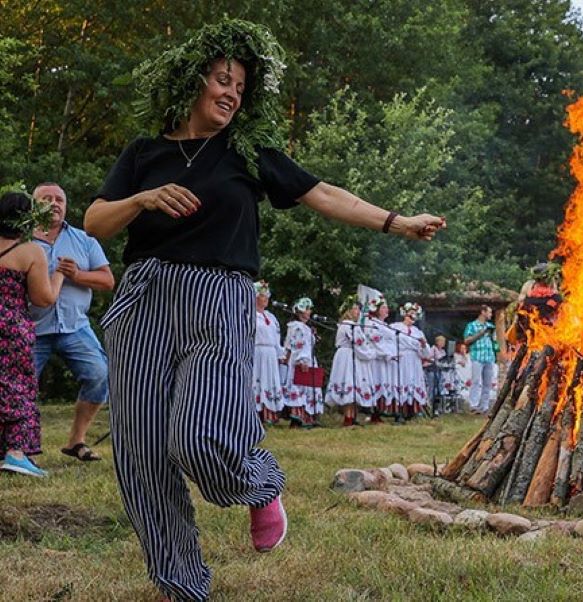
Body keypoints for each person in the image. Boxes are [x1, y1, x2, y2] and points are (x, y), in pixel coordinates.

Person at [82, 19, 443, 601]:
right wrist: (143, 198)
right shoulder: (143, 153)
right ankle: (181, 583)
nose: (231, 93)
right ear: (191, 81)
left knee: (200, 438)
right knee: (140, 452)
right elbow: (94, 221)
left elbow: (322, 194)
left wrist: (395, 222)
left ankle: (260, 482)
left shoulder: (246, 152)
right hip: (143, 301)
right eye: (223, 80)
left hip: (217, 299)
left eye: (241, 87)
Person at [30, 182, 115, 462]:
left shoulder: (84, 239)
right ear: (34, 205)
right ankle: (17, 447)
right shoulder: (19, 240)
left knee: (99, 375)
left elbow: (107, 280)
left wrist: (78, 275)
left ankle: (76, 442)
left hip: (75, 326)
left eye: (59, 199)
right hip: (31, 327)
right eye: (46, 198)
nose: (54, 203)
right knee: (15, 386)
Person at [0, 191, 65, 477]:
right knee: (18, 388)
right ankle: (15, 452)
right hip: (10, 328)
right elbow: (43, 298)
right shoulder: (29, 251)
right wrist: (60, 274)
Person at [325, 296, 376, 427]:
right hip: (348, 356)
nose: (358, 312)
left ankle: (352, 416)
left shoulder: (351, 325)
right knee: (349, 383)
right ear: (348, 310)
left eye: (358, 309)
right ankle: (348, 417)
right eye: (355, 309)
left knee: (354, 385)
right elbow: (358, 343)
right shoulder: (348, 325)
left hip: (351, 355)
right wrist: (370, 353)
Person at [282, 297, 325, 427]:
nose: (309, 312)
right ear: (300, 311)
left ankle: (307, 418)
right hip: (302, 360)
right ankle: (298, 418)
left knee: (308, 387)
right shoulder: (298, 327)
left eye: (309, 309)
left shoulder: (303, 327)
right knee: (301, 387)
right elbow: (298, 345)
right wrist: (302, 360)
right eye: (307, 309)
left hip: (307, 358)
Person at [391, 302, 430, 418]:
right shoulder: (395, 327)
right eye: (411, 314)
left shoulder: (418, 332)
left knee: (414, 381)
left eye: (415, 314)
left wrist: (423, 345)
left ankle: (413, 409)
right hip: (401, 358)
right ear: (405, 314)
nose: (413, 317)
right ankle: (400, 409)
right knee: (402, 381)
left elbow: (426, 353)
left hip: (414, 359)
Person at [252, 281, 284, 425]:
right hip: (257, 351)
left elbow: (276, 337)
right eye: (263, 296)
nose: (266, 298)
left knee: (270, 380)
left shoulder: (271, 317)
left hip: (270, 352)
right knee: (257, 379)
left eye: (267, 296)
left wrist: (280, 354)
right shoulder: (250, 315)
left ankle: (270, 412)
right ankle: (256, 413)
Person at [367, 296, 400, 421]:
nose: (387, 310)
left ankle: (383, 410)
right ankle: (375, 413)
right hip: (378, 359)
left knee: (386, 384)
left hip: (388, 360)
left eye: (387, 307)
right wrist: (388, 354)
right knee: (377, 382)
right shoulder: (372, 324)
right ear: (377, 310)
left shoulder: (385, 325)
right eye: (384, 307)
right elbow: (376, 342)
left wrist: (394, 353)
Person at [463, 305, 497, 414]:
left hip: (489, 356)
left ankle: (484, 406)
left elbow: (494, 341)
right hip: (477, 356)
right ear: (483, 312)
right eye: (489, 312)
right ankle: (473, 405)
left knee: (488, 383)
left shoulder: (490, 326)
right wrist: (481, 333)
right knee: (476, 381)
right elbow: (467, 340)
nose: (491, 315)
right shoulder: (471, 325)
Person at [454, 341, 472, 408]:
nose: (463, 350)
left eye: (464, 348)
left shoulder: (469, 356)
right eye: (461, 348)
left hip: (468, 376)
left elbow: (469, 364)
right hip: (459, 375)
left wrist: (464, 356)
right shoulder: (456, 355)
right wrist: (459, 362)